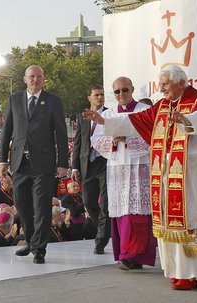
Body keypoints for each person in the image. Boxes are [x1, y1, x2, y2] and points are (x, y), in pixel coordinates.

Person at [83, 65, 197, 290]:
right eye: (160, 83)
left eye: (165, 84)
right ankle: (176, 270)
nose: (160, 88)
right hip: (167, 173)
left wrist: (186, 119)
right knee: (169, 221)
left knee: (190, 220)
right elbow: (136, 121)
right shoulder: (162, 105)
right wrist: (105, 122)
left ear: (181, 83)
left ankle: (191, 273)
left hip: (192, 174)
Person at [0, 65, 69, 264]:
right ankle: (30, 240)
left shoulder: (53, 101)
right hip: (20, 163)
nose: (35, 80)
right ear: (25, 79)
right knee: (22, 206)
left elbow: (61, 133)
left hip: (44, 164)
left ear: (44, 79)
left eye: (39, 77)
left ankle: (39, 249)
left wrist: (62, 162)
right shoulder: (14, 99)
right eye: (32, 76)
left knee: (42, 207)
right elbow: (7, 132)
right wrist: (2, 160)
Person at [91, 77, 156, 271]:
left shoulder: (144, 111)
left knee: (137, 214)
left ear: (132, 89)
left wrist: (127, 136)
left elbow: (152, 136)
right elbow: (96, 140)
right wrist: (112, 139)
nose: (121, 94)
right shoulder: (108, 114)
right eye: (117, 91)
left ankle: (132, 255)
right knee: (122, 214)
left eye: (125, 90)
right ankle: (126, 255)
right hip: (117, 168)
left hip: (139, 167)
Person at [71, 84, 111, 254]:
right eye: (96, 95)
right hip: (87, 164)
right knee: (88, 202)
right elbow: (78, 143)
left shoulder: (110, 113)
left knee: (105, 205)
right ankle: (105, 231)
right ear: (89, 98)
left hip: (105, 163)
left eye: (102, 95)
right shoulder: (82, 117)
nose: (100, 98)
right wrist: (74, 167)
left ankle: (100, 240)